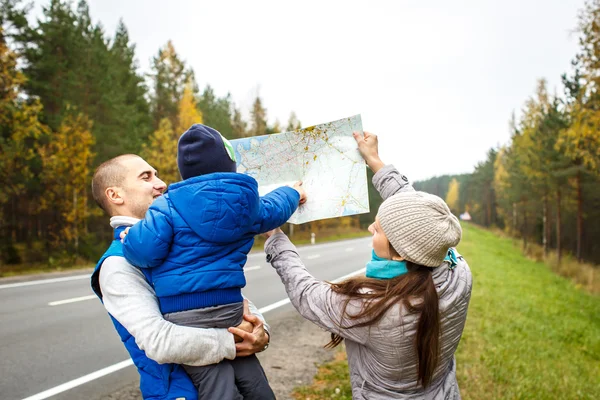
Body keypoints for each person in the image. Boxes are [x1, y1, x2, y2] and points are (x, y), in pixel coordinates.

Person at [241, 131, 473, 399]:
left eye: (379, 231)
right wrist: (373, 159)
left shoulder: (374, 308)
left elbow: (306, 294)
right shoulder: (455, 268)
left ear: (401, 254)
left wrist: (275, 237)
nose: (370, 227)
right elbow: (416, 216)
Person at [121, 124, 307, 399]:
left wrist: (129, 238)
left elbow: (145, 253)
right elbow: (275, 208)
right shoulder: (248, 204)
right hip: (230, 307)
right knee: (249, 370)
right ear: (229, 163)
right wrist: (293, 193)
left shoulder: (166, 206)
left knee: (214, 380)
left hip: (184, 314)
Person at [90, 153, 271, 400]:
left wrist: (261, 332)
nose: (161, 183)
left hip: (240, 387)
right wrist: (236, 342)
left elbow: (224, 298)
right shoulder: (117, 263)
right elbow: (159, 341)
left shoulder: (177, 236)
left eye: (157, 174)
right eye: (146, 177)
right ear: (115, 195)